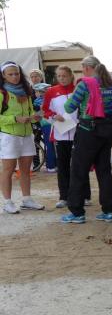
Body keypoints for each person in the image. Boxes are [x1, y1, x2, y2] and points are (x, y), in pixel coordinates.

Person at [60, 56, 112, 224]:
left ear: (87, 68)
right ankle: (108, 211)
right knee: (104, 171)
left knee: (78, 171)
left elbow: (69, 107)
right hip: (106, 130)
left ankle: (77, 212)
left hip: (88, 131)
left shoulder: (85, 84)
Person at [0, 61, 46, 213]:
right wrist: (15, 119)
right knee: (8, 169)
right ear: (3, 76)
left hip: (27, 134)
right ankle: (7, 202)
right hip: (9, 136)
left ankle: (27, 200)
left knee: (26, 169)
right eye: (10, 74)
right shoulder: (2, 93)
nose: (15, 76)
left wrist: (34, 117)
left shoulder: (26, 91)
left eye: (17, 73)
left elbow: (30, 111)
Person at [43, 66, 88, 209]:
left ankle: (84, 195)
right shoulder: (51, 91)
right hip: (60, 134)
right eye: (59, 76)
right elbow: (45, 110)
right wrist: (53, 116)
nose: (62, 78)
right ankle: (64, 197)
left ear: (71, 76)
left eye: (64, 76)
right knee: (62, 166)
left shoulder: (78, 90)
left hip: (78, 133)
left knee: (80, 165)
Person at [32, 82, 58, 173]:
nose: (35, 93)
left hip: (46, 125)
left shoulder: (38, 101)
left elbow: (38, 113)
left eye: (36, 91)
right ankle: (55, 164)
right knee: (54, 145)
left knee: (49, 145)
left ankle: (51, 166)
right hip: (54, 123)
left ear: (41, 92)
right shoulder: (52, 99)